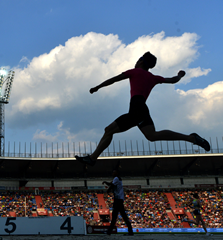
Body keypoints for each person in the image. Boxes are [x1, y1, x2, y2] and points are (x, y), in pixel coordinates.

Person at [75, 52, 210, 165]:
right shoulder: (153, 77)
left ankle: (93, 158)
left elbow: (113, 79)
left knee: (110, 130)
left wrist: (97, 87)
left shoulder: (134, 72)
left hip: (136, 107)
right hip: (141, 108)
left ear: (141, 61)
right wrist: (180, 75)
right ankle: (192, 138)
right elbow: (173, 80)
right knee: (151, 135)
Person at [103, 170, 133, 236]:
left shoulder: (116, 178)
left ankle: (109, 231)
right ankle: (130, 231)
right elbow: (111, 184)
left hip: (118, 199)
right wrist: (106, 182)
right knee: (122, 216)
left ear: (117, 173)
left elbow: (112, 185)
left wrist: (108, 190)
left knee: (115, 216)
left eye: (114, 172)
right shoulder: (117, 179)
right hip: (119, 199)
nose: (112, 173)